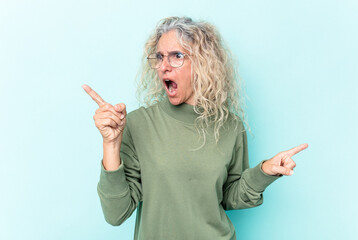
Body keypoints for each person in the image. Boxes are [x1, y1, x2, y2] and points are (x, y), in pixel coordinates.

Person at [82, 16, 308, 240]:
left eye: (176, 56)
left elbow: (230, 196)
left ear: (203, 63)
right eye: (159, 57)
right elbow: (116, 214)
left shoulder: (230, 126)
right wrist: (111, 144)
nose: (163, 67)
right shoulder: (138, 124)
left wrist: (264, 172)